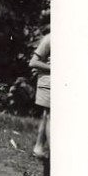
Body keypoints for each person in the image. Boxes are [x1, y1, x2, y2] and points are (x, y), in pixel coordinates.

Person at [29, 28, 50, 160]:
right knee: (51, 117)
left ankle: (39, 147)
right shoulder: (50, 38)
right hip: (49, 83)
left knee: (47, 116)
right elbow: (33, 62)